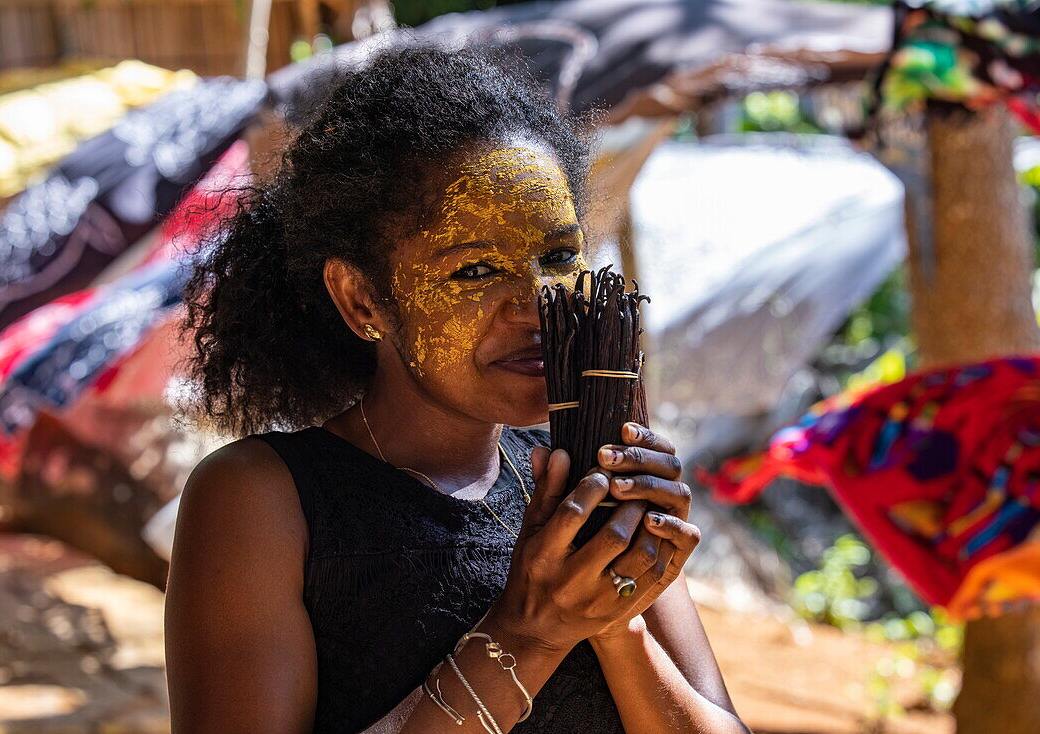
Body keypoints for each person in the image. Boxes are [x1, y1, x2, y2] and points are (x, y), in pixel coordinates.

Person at [164, 44, 748, 734]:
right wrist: (529, 635)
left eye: (559, 256)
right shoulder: (262, 501)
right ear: (363, 301)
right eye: (475, 270)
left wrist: (615, 623)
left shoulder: (590, 473)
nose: (537, 304)